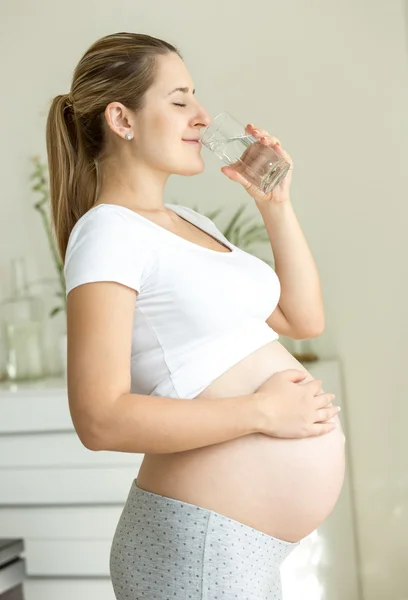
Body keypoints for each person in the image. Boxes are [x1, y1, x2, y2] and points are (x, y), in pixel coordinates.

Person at [45, 31, 345, 600]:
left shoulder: (188, 221)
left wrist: (274, 203)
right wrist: (261, 412)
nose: (203, 117)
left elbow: (303, 318)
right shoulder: (108, 231)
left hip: (230, 546)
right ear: (122, 119)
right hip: (198, 545)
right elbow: (99, 418)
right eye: (179, 100)